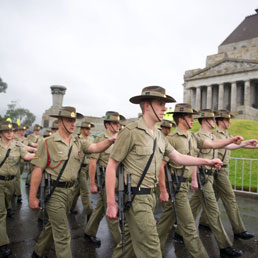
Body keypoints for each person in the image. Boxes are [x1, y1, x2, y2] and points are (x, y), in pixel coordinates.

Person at [105, 87, 223, 258]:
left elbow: (179, 157)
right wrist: (110, 202)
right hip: (136, 199)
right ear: (146, 106)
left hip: (150, 197)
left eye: (165, 104)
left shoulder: (159, 135)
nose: (165, 108)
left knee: (128, 244)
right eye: (160, 104)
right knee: (152, 249)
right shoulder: (130, 132)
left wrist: (207, 161)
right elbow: (111, 165)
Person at [157, 104, 245, 258]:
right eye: (190, 117)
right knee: (190, 228)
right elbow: (161, 167)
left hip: (184, 186)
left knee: (165, 223)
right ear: (181, 118)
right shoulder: (171, 139)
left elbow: (210, 145)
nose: (193, 120)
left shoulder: (192, 137)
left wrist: (232, 140)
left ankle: (148, 250)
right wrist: (163, 190)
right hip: (176, 187)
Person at [29, 106, 116, 258]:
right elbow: (37, 170)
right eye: (69, 120)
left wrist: (110, 141)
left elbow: (95, 147)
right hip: (54, 192)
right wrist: (32, 197)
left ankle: (38, 252)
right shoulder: (47, 142)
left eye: (74, 120)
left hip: (70, 191)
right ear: (60, 121)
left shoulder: (78, 141)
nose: (72, 123)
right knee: (63, 234)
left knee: (53, 225)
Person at [198, 109, 255, 241]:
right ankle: (239, 230)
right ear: (220, 121)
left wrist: (250, 144)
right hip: (216, 169)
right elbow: (222, 145)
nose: (229, 122)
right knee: (230, 199)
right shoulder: (215, 134)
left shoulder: (227, 134)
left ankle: (202, 222)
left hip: (218, 169)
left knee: (198, 201)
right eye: (227, 120)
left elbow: (235, 145)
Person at [84, 111, 121, 246]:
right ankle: (121, 245)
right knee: (112, 212)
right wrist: (92, 184)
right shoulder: (100, 139)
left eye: (118, 123)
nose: (118, 125)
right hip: (106, 181)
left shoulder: (120, 138)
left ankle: (89, 232)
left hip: (118, 178)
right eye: (115, 123)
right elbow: (93, 162)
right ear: (107, 124)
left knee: (100, 207)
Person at [0, 121, 35, 258]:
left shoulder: (17, 146)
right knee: (1, 213)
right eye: (7, 131)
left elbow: (27, 156)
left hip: (11, 183)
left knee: (6, 207)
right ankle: (3, 244)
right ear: (1, 133)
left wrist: (41, 156)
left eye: (12, 131)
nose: (10, 133)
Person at [69, 121, 94, 218]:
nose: (89, 131)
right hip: (80, 168)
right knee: (85, 190)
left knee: (77, 190)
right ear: (82, 129)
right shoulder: (76, 139)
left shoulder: (91, 139)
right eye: (87, 129)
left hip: (88, 167)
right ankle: (89, 211)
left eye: (89, 129)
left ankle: (70, 207)